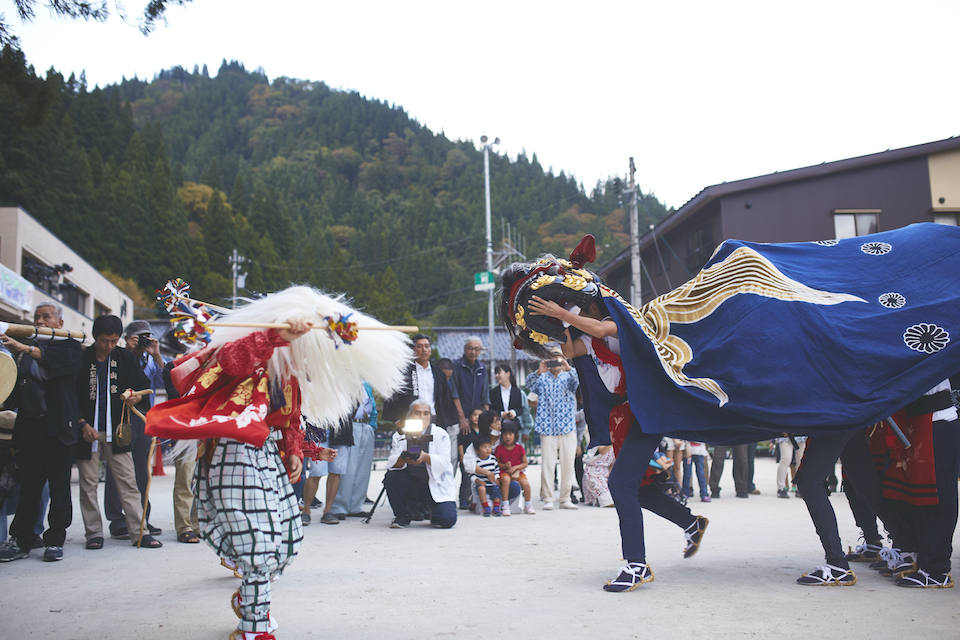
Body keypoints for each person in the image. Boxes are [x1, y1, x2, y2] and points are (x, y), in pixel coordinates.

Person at [523, 280, 707, 591]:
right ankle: (691, 523)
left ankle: (636, 564)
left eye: (580, 304)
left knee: (620, 484)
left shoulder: (617, 322)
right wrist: (559, 319)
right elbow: (568, 349)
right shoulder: (590, 338)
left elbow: (600, 330)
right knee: (638, 488)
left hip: (645, 408)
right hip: (624, 415)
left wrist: (563, 313)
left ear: (595, 304)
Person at [0, 302, 82, 563]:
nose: (40, 321)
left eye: (46, 317)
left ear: (59, 323)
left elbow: (54, 365)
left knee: (59, 486)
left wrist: (24, 347)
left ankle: (55, 539)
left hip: (59, 427)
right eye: (37, 317)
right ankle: (21, 539)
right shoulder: (22, 353)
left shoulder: (69, 345)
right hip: (31, 427)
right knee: (29, 487)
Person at [74, 315, 161, 551]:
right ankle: (93, 532)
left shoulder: (123, 358)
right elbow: (70, 395)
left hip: (117, 428)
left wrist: (136, 396)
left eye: (113, 341)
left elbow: (143, 386)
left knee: (128, 480)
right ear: (95, 337)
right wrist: (82, 423)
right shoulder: (81, 358)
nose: (109, 346)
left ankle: (139, 532)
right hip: (87, 430)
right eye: (104, 341)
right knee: (88, 483)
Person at [101, 319, 165, 540]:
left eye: (146, 336)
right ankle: (117, 520)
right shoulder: (117, 356)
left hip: (144, 417)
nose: (142, 342)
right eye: (138, 337)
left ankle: (141, 518)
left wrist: (156, 354)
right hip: (120, 415)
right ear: (127, 338)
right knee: (117, 467)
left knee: (141, 469)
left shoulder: (151, 360)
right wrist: (128, 352)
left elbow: (167, 380)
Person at [383, 334, 459, 471]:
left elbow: (445, 400)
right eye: (419, 346)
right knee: (412, 458)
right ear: (413, 350)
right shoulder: (404, 371)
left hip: (433, 419)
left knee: (433, 458)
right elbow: (392, 395)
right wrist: (397, 420)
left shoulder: (438, 373)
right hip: (411, 420)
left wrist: (447, 422)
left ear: (430, 349)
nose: (424, 350)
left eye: (427, 346)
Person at [383, 401, 457, 529]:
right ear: (410, 416)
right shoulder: (400, 434)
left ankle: (430, 511)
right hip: (409, 483)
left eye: (426, 413)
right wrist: (403, 459)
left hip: (432, 483)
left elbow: (445, 462)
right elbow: (391, 463)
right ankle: (402, 515)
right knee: (391, 476)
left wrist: (425, 457)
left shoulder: (440, 434)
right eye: (417, 413)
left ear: (431, 416)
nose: (422, 417)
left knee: (447, 520)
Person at [525, 354, 580, 510]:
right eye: (552, 359)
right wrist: (539, 371)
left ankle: (565, 498)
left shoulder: (568, 377)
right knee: (547, 465)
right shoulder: (542, 378)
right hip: (547, 427)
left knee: (568, 465)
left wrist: (568, 368)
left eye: (558, 358)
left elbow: (577, 383)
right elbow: (530, 385)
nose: (555, 362)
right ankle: (548, 498)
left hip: (567, 427)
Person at [331, 381, 378, 518]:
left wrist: (372, 425)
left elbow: (372, 406)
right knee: (348, 467)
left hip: (366, 426)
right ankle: (339, 506)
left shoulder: (367, 384)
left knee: (363, 468)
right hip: (350, 426)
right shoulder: (343, 380)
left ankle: (356, 505)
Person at [450, 337, 490, 438]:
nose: (473, 352)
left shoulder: (482, 368)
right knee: (456, 439)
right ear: (464, 349)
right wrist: (462, 418)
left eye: (476, 349)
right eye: (470, 348)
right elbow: (454, 393)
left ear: (480, 351)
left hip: (478, 416)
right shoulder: (456, 365)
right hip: (458, 415)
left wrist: (487, 417)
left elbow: (485, 395)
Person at [495, 420, 534, 514]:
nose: (507, 437)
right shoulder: (499, 448)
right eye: (505, 434)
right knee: (506, 480)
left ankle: (528, 504)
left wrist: (516, 467)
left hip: (518, 473)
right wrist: (504, 465)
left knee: (526, 484)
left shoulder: (519, 448)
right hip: (504, 472)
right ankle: (505, 504)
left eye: (510, 434)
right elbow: (496, 464)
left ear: (516, 435)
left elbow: (525, 463)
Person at [457, 406, 483, 509]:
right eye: (475, 415)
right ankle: (463, 500)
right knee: (466, 480)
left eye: (480, 416)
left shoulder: (483, 431)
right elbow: (460, 443)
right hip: (467, 460)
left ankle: (474, 500)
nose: (477, 417)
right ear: (470, 417)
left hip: (479, 461)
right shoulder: (466, 429)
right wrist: (462, 456)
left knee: (477, 480)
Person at [473, 440, 502, 516]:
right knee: (481, 489)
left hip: (492, 483)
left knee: (496, 488)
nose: (487, 449)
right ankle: (486, 507)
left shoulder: (493, 459)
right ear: (477, 451)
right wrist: (478, 481)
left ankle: (496, 507)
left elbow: (496, 470)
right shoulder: (476, 462)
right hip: (482, 483)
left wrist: (496, 478)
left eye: (489, 446)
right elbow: (472, 475)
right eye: (484, 447)